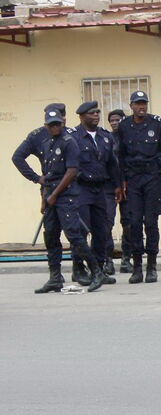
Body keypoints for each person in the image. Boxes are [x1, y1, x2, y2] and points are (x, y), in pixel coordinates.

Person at [27, 108, 107, 293]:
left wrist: (55, 195)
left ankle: (97, 272)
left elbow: (72, 171)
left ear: (62, 124)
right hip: (51, 195)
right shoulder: (47, 143)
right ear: (46, 126)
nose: (55, 127)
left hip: (65, 195)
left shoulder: (69, 142)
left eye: (58, 124)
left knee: (74, 236)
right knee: (51, 236)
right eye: (51, 124)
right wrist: (45, 194)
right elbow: (48, 174)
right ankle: (55, 277)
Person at [12, 103, 91, 284]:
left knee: (75, 232)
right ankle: (55, 275)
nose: (61, 120)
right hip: (50, 190)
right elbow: (17, 157)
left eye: (62, 116)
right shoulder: (38, 136)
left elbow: (78, 165)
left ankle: (79, 269)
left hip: (72, 189)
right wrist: (36, 178)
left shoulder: (70, 135)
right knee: (52, 234)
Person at [118, 91, 161, 284]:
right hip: (133, 179)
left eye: (144, 103)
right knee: (134, 223)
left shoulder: (157, 123)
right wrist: (121, 181)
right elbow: (120, 156)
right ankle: (137, 268)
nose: (141, 107)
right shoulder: (124, 126)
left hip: (153, 178)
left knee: (150, 222)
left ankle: (151, 266)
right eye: (137, 104)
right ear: (131, 106)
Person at [70, 101, 120, 288]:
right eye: (92, 113)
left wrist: (117, 185)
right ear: (82, 117)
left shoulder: (105, 137)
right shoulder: (73, 137)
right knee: (81, 230)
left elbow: (112, 164)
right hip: (81, 189)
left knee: (102, 230)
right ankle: (79, 269)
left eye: (98, 112)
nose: (96, 116)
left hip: (101, 189)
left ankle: (98, 269)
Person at [107, 109, 133, 274]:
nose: (114, 123)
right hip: (109, 186)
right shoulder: (106, 138)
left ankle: (126, 259)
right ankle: (107, 260)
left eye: (117, 120)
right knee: (106, 223)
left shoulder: (129, 138)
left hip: (128, 186)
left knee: (129, 223)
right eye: (111, 120)